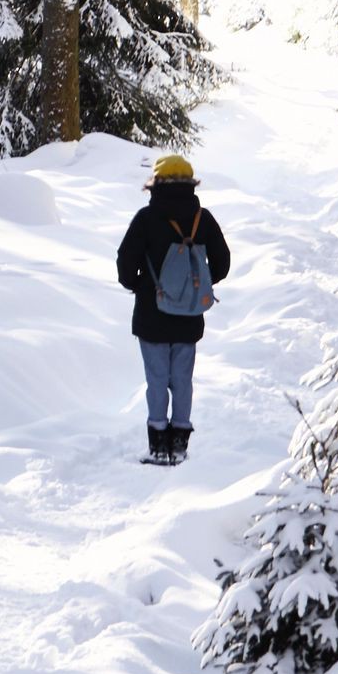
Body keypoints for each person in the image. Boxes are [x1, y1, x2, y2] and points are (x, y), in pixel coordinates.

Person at [116, 152, 231, 466]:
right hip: (189, 315)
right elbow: (222, 264)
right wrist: (197, 285)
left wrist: (141, 285)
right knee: (182, 379)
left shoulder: (145, 218)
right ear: (191, 183)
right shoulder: (202, 219)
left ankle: (157, 447)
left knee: (156, 379)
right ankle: (179, 444)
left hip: (151, 314)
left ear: (157, 183)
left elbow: (125, 265)